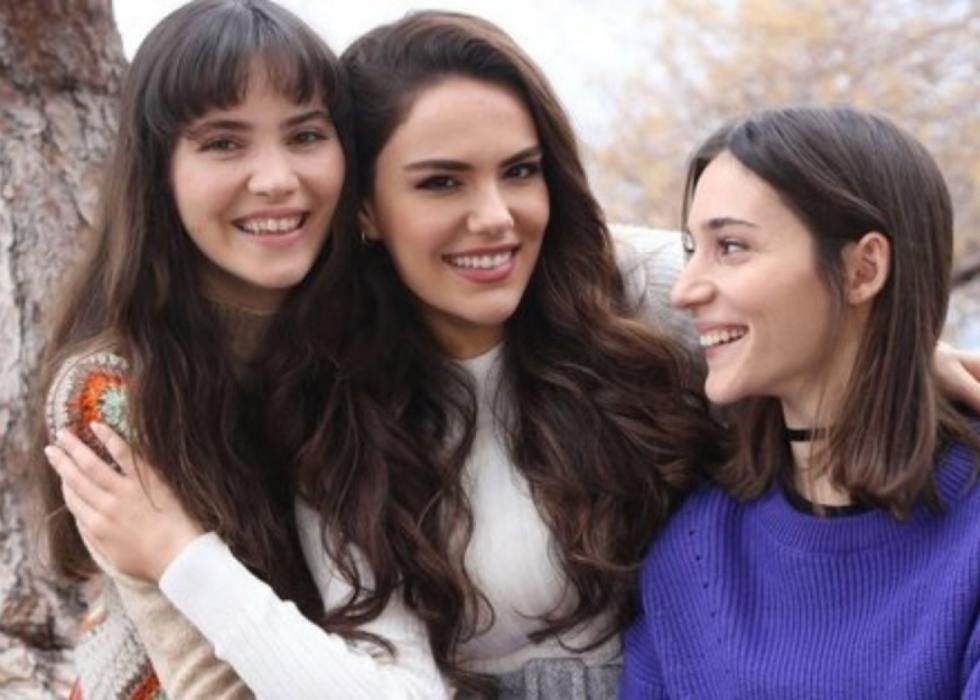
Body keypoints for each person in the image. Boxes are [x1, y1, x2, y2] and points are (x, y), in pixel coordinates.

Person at [46, 13, 980, 700]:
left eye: (520, 171)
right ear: (366, 210)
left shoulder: (632, 296)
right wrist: (182, 557)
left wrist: (907, 353)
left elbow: (779, 284)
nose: (494, 217)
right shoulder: (336, 413)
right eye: (440, 183)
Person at [35, 0, 450, 697]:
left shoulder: (365, 344)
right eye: (224, 143)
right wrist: (178, 554)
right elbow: (203, 683)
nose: (277, 179)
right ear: (158, 170)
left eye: (306, 135)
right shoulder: (112, 390)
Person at [619, 106, 980, 698]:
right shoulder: (696, 552)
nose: (684, 291)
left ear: (863, 269)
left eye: (731, 246)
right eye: (691, 250)